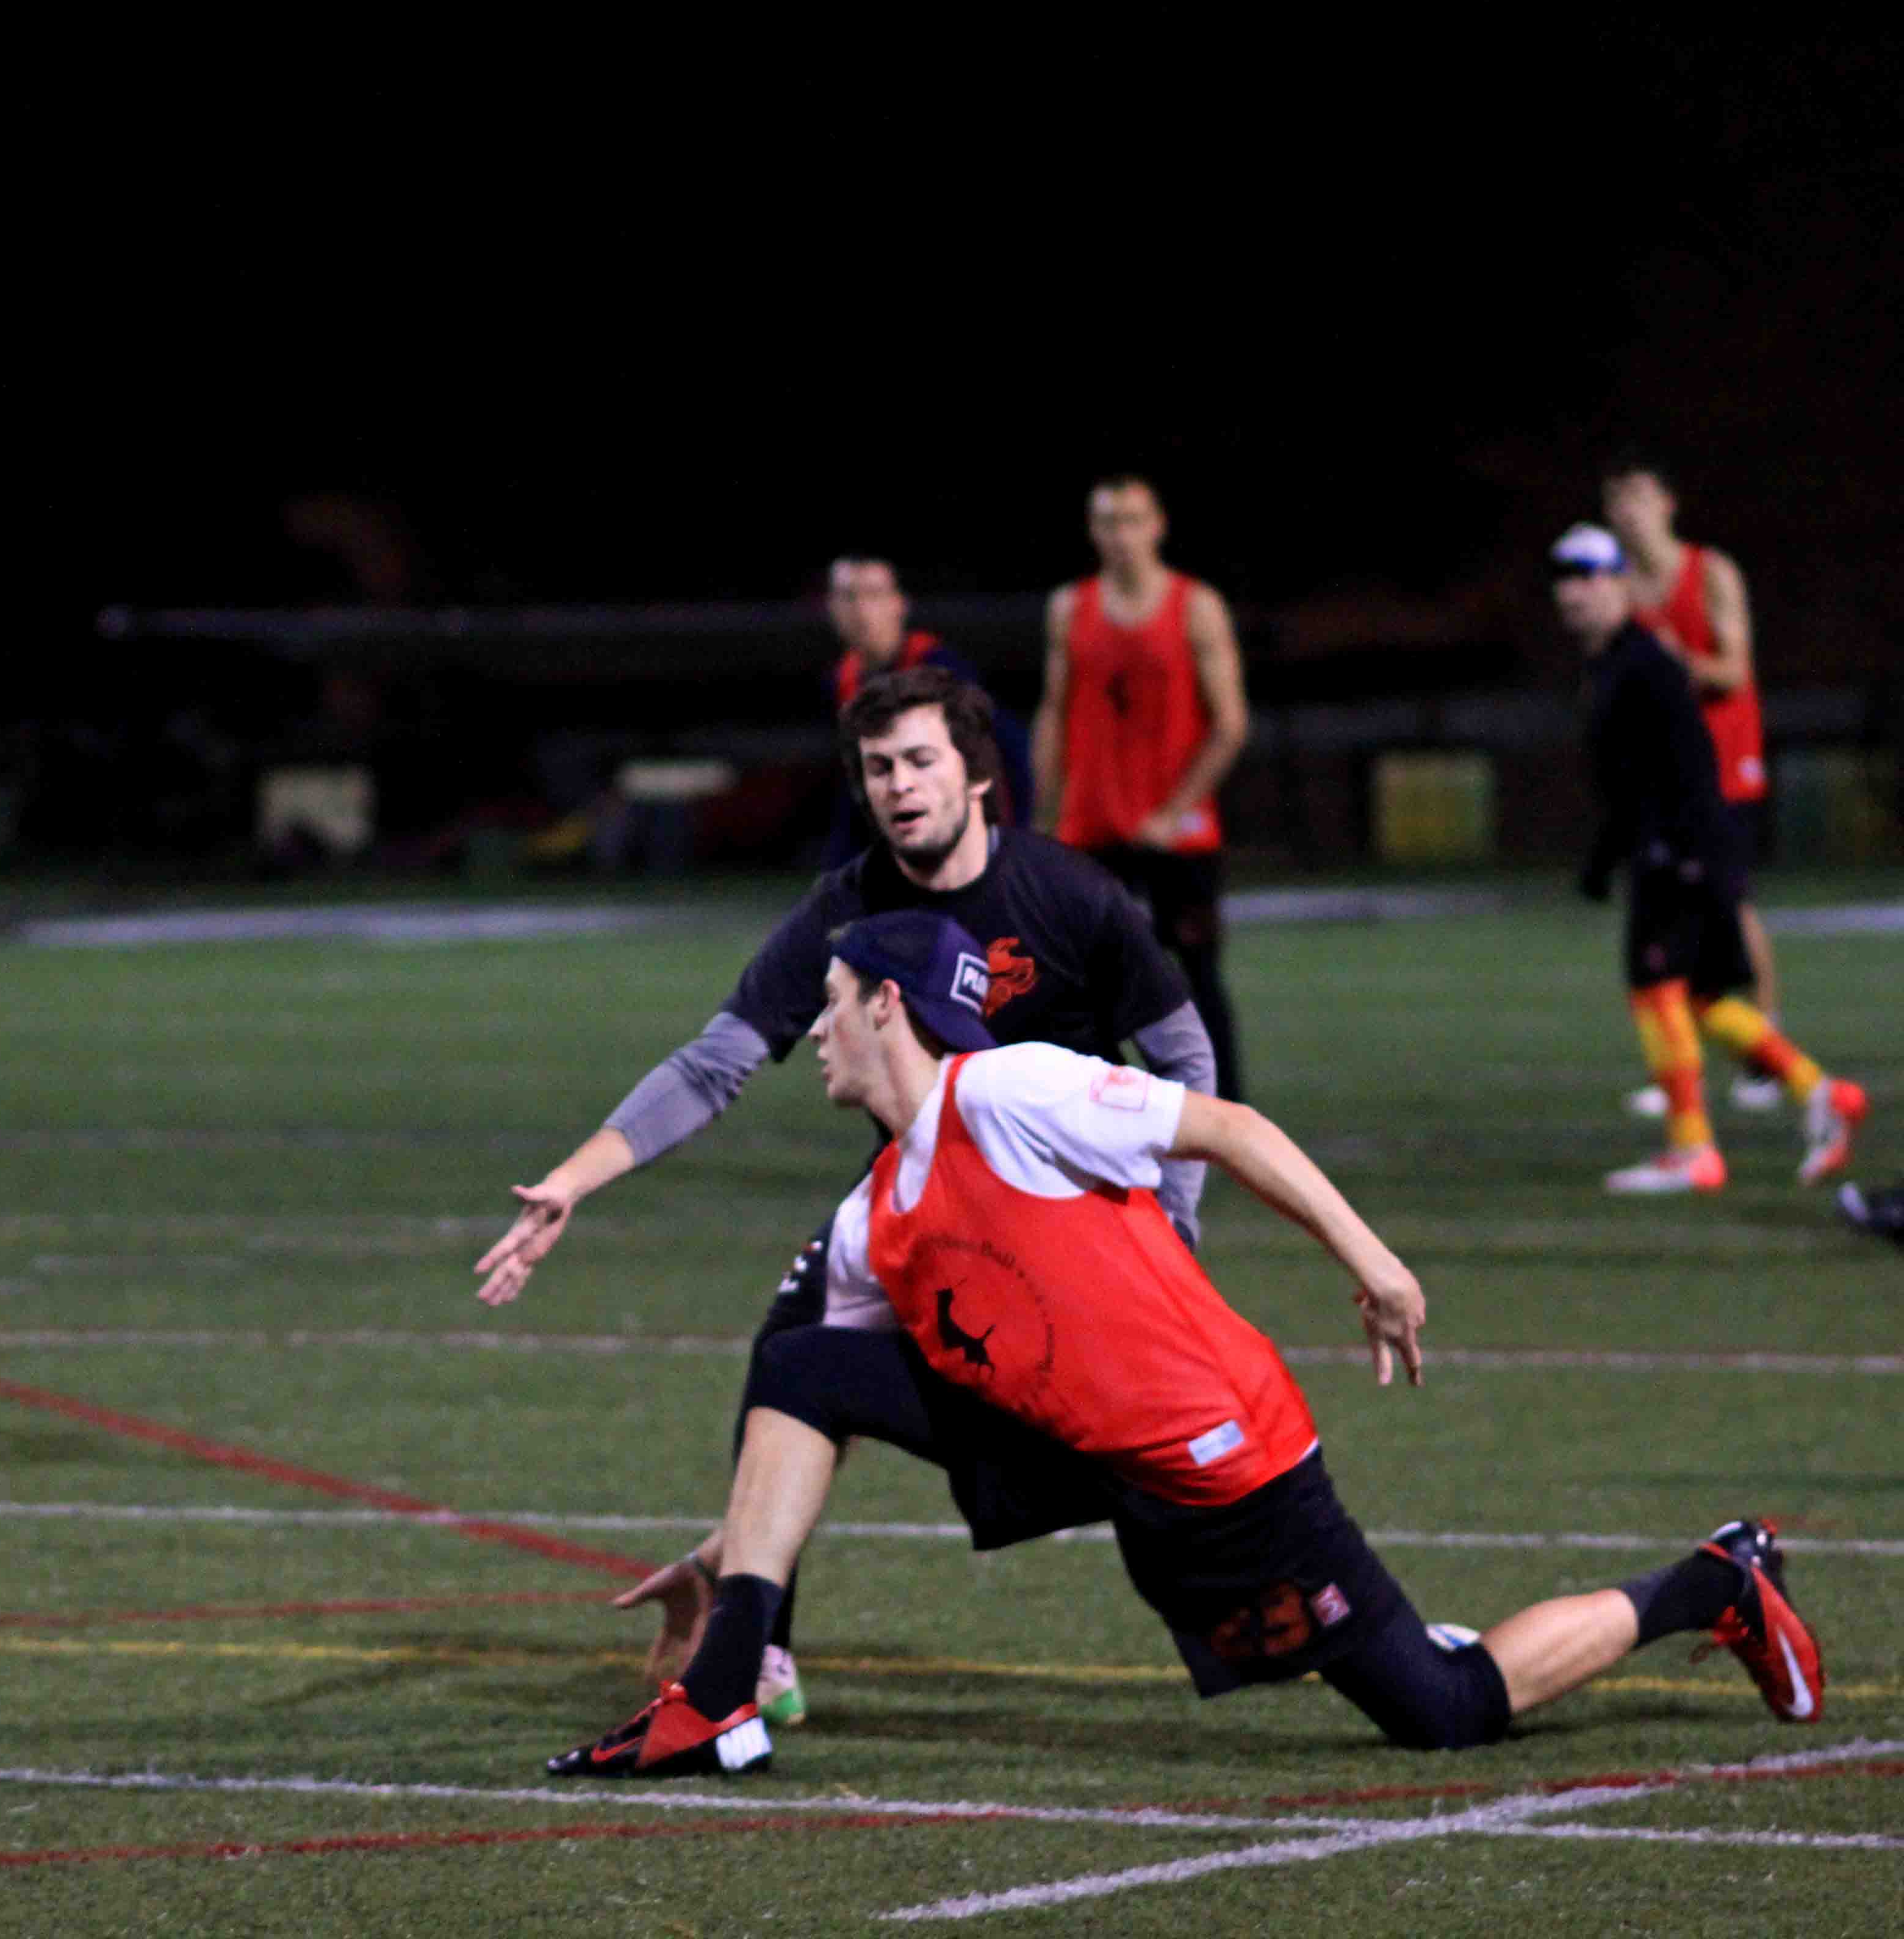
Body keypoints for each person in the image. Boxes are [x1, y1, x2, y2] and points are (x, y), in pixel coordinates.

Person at [544, 909, 1822, 1777]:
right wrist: (724, 1564)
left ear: (888, 1005)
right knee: (801, 1361)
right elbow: (810, 1417)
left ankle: (1712, 1582)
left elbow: (1231, 1129)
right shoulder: (873, 1215)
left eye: (829, 1003)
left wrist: (1373, 1263)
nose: (813, 1031)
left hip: (1230, 1468)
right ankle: (722, 1691)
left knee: (1443, 1712)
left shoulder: (1011, 1090)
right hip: (1087, 1457)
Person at [477, 665, 1218, 1725]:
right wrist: (570, 1181)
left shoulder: (1068, 896)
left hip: (1067, 1229)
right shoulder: (849, 906)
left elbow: (1184, 1055)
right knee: (792, 1354)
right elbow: (714, 1064)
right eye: (877, 768)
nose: (898, 785)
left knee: (1130, 1467)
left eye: (919, 761)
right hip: (923, 1209)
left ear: (976, 776)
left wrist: (1175, 1226)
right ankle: (754, 1646)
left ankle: (1341, 1624)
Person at [1551, 528, 1864, 1194]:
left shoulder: (1645, 661)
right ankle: (1823, 1093)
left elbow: (1688, 761)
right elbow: (1626, 780)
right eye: (1564, 577)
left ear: (1620, 583)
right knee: (1698, 998)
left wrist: (1681, 850)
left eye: (1587, 575)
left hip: (1682, 850)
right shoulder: (1611, 663)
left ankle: (1693, 1149)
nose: (1573, 591)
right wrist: (1608, 858)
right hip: (1673, 848)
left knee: (1656, 989)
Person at [1032, 475, 1251, 1100]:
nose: (1121, 535)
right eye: (1108, 522)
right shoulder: (1070, 607)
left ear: (1158, 526)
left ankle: (1222, 1117)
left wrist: (1174, 811)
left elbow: (1231, 724)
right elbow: (1054, 711)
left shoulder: (1195, 606)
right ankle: (1105, 1112)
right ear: (1092, 530)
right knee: (1083, 982)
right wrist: (1044, 814)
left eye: (1132, 520)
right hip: (1090, 830)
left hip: (1179, 838)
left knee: (1197, 976)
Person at [1604, 464, 1786, 1119]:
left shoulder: (1709, 572)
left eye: (1638, 495)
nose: (1627, 510)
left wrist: (1670, 662)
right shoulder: (1619, 588)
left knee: (1731, 906)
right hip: (1663, 775)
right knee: (1660, 916)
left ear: (1668, 503)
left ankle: (1768, 1053)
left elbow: (1734, 670)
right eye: (1616, 500)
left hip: (1725, 765)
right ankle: (1679, 1071)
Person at [818, 557, 1032, 869]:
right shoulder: (842, 682)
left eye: (874, 594)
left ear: (899, 603)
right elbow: (852, 789)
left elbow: (1004, 748)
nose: (861, 610)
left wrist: (1013, 837)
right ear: (831, 607)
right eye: (848, 597)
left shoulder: (940, 670)